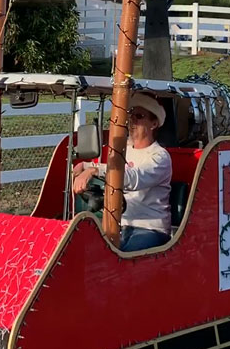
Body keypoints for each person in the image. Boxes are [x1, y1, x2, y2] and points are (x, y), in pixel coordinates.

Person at [72, 92, 172, 252]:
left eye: (139, 116)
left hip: (150, 229)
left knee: (119, 257)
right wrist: (83, 166)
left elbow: (133, 178)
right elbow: (111, 167)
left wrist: (93, 170)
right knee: (85, 249)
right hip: (120, 225)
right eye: (131, 114)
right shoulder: (125, 149)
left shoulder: (160, 157)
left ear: (153, 124)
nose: (132, 120)